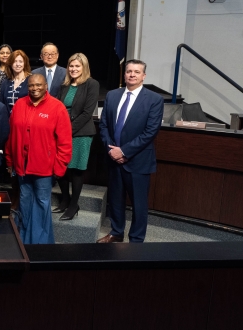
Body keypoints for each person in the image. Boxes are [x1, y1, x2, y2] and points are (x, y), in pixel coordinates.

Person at [98, 59, 163, 243]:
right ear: (124, 74)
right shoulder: (112, 95)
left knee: (139, 205)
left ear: (144, 76)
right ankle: (116, 232)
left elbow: (150, 131)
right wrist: (112, 150)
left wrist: (124, 152)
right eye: (129, 71)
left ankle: (136, 240)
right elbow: (103, 126)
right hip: (113, 159)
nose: (132, 74)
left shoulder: (154, 99)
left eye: (136, 72)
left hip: (138, 161)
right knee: (116, 200)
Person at [5, 74, 72, 244]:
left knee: (42, 205)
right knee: (25, 203)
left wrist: (59, 169)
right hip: (22, 167)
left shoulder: (57, 108)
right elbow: (12, 136)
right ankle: (24, 241)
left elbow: (65, 142)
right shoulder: (20, 105)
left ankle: (42, 244)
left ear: (46, 86)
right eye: (32, 86)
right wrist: (10, 161)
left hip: (44, 169)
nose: (35, 88)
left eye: (39, 85)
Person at [53, 53, 100, 221]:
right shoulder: (64, 85)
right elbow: (57, 107)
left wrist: (66, 130)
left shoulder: (92, 84)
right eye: (71, 66)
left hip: (80, 133)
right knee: (61, 168)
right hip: (61, 132)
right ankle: (65, 200)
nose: (73, 69)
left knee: (76, 170)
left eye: (77, 66)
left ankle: (74, 205)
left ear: (84, 67)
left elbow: (87, 113)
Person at [0, 49, 30, 114]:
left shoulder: (30, 81)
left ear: (25, 63)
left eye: (20, 61)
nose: (17, 64)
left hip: (25, 120)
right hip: (8, 120)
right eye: (14, 61)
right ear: (10, 63)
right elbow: (1, 104)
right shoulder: (5, 83)